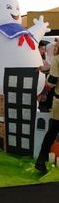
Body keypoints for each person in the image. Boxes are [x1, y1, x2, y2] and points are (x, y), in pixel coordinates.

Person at [35, 41, 59, 173]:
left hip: (58, 102)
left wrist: (46, 80)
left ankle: (41, 159)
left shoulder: (57, 59)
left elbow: (52, 81)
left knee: (52, 131)